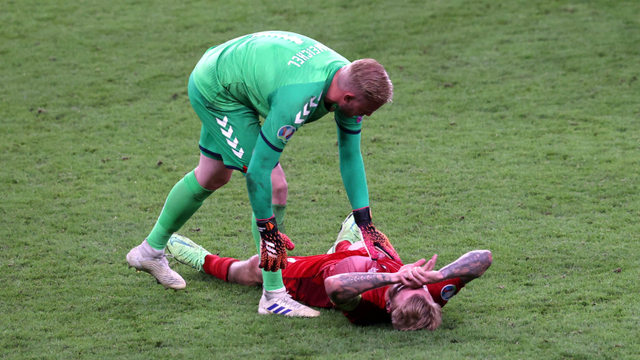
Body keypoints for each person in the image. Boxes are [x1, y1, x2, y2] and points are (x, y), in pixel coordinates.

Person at [126, 31, 400, 318]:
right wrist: (270, 232)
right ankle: (273, 296)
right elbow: (258, 172)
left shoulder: (348, 77)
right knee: (274, 183)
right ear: (347, 97)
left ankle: (149, 251)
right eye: (367, 110)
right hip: (218, 88)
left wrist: (365, 223)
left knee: (212, 175)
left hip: (231, 71)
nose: (366, 116)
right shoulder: (298, 99)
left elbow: (349, 154)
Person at [166, 214, 492, 328]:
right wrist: (436, 277)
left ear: (390, 305)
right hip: (370, 255)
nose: (413, 282)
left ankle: (204, 261)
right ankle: (346, 244)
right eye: (418, 286)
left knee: (259, 267)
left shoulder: (368, 311)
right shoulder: (429, 293)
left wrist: (395, 276)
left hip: (319, 276)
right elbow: (483, 257)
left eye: (406, 287)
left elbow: (336, 285)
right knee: (364, 241)